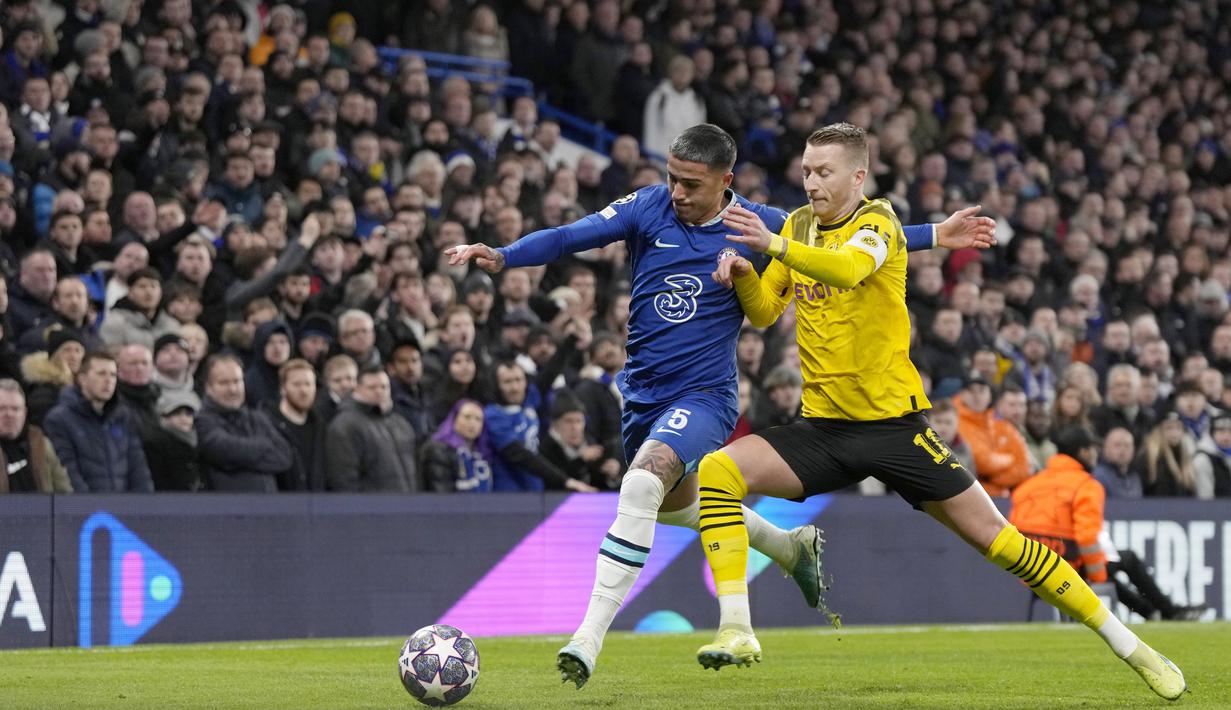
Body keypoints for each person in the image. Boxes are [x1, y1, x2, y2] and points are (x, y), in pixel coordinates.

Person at [450, 123, 997, 687]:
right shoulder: (646, 207)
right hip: (641, 394)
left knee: (641, 485)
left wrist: (935, 232)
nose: (678, 192)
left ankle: (586, 639)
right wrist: (505, 255)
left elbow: (848, 242)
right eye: (672, 179)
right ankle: (788, 547)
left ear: (725, 182)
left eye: (690, 183)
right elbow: (573, 234)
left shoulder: (755, 225)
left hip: (705, 397)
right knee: (670, 505)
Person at [693, 123, 1183, 700]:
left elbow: (848, 269)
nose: (811, 182)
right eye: (805, 170)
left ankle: (1133, 645)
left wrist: (770, 245)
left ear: (858, 176)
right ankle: (737, 629)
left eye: (824, 172)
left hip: (895, 430)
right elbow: (766, 312)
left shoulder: (877, 223)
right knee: (717, 473)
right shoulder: (799, 227)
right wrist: (749, 275)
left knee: (1004, 544)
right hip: (824, 429)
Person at [1012, 426, 1205, 622]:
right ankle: (1165, 612)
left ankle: (1155, 613)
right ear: (1083, 452)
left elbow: (1015, 529)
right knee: (1121, 561)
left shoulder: (1028, 485)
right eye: (1093, 449)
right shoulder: (1086, 485)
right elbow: (1087, 538)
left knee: (1102, 566)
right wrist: (1099, 579)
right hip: (1068, 566)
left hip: (1030, 569)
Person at [43, 351, 153, 493]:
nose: (108, 380)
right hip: (83, 510)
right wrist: (90, 506)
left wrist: (144, 505)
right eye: (101, 373)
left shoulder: (124, 416)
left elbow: (138, 468)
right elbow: (68, 471)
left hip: (124, 509)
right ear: (82, 379)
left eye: (113, 375)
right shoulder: (59, 419)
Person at [196, 354, 293, 492]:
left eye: (237, 381)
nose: (233, 389)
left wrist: (238, 461)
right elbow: (222, 450)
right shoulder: (203, 420)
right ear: (208, 387)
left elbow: (284, 457)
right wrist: (264, 446)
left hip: (268, 508)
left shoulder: (257, 418)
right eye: (224, 383)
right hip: (225, 508)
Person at [325, 366, 418, 492]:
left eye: (384, 387)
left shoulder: (401, 424)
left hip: (407, 505)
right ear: (357, 389)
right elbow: (344, 479)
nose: (379, 391)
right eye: (372, 387)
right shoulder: (346, 425)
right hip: (370, 508)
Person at [0, 378, 71, 493]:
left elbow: (64, 492)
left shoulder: (43, 445)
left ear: (24, 413)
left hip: (41, 510)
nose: (9, 414)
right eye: (2, 408)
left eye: (15, 409)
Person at [419, 398, 494, 492]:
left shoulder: (483, 455)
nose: (472, 423)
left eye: (478, 419)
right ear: (454, 420)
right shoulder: (439, 450)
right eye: (467, 417)